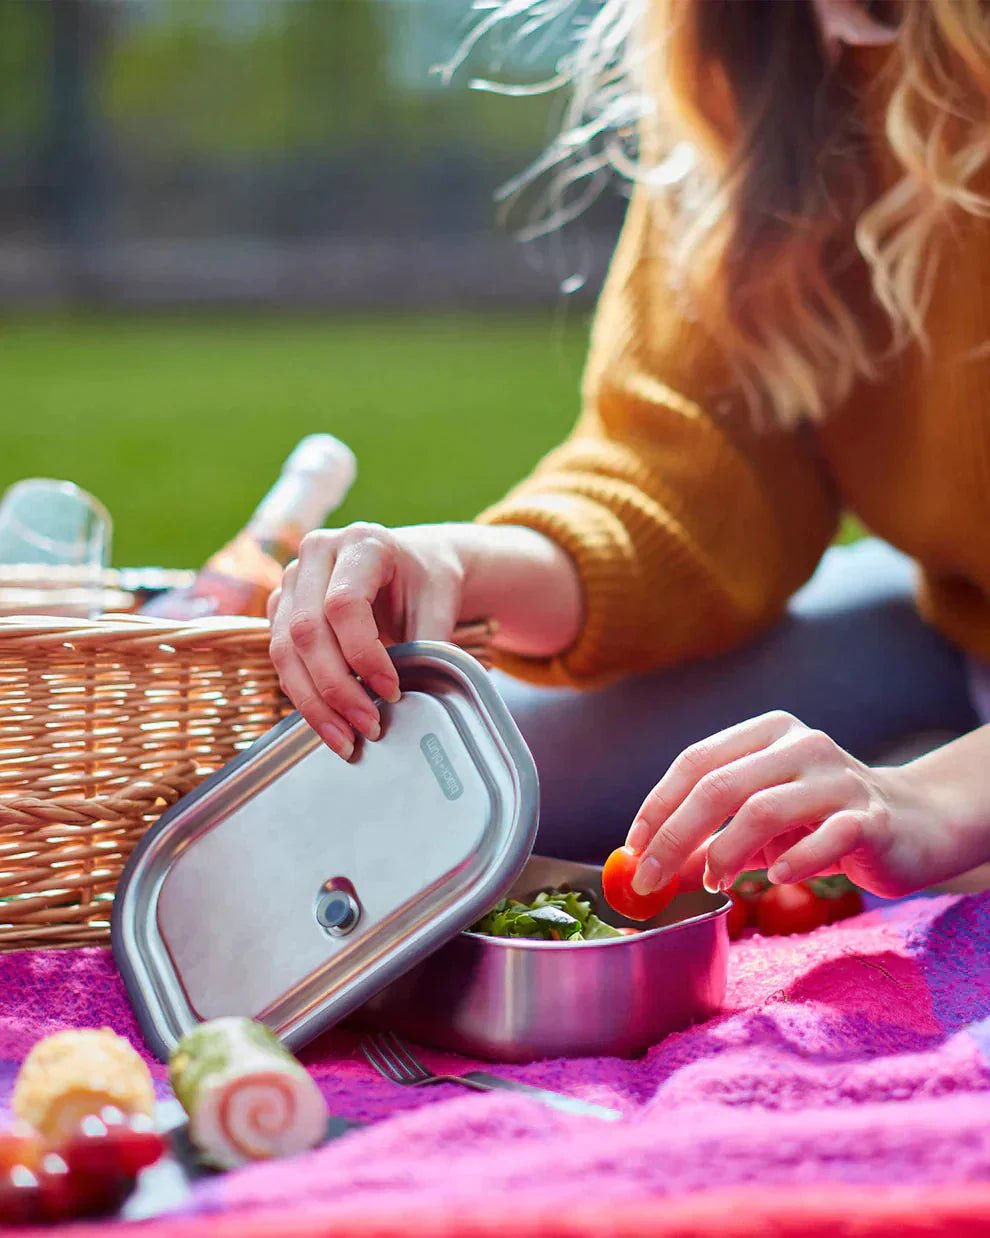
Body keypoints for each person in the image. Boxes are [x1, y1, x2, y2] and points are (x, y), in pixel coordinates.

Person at [268, 0, 990, 900]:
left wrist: (932, 800)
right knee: (403, 799)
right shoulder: (751, 54)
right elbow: (687, 475)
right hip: (953, 619)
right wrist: (458, 560)